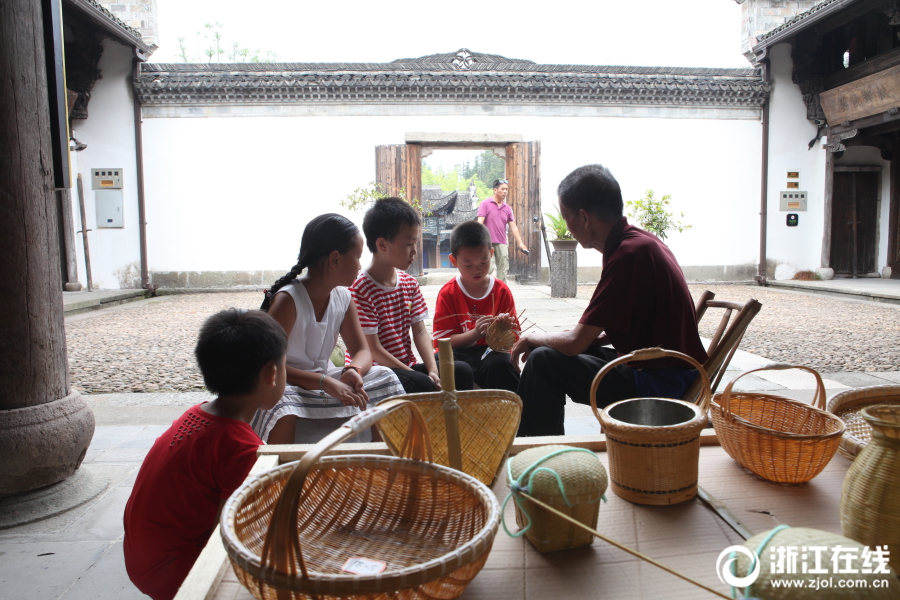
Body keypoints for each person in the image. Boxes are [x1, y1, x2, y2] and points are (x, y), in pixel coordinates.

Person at [510, 164, 708, 437]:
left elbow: (575, 342)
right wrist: (572, 340)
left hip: (660, 382)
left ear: (584, 218)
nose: (567, 227)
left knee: (544, 360)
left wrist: (532, 337)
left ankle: (538, 452)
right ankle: (541, 444)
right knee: (549, 353)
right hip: (656, 366)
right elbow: (614, 328)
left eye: (566, 217)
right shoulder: (638, 243)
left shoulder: (629, 255)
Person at [123, 309, 288, 600]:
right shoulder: (242, 449)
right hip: (179, 577)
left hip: (142, 562)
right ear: (271, 374)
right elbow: (228, 540)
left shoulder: (197, 414)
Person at [252, 214, 404, 444]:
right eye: (357, 256)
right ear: (335, 259)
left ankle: (381, 456)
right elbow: (270, 366)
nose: (360, 265)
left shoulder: (343, 298)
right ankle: (283, 464)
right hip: (289, 384)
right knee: (281, 400)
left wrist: (352, 370)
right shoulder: (288, 300)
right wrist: (324, 382)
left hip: (325, 381)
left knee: (386, 378)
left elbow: (362, 350)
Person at [350, 197, 474, 393]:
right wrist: (415, 373)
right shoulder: (360, 289)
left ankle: (455, 414)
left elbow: (420, 332)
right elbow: (373, 349)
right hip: (375, 372)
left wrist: (433, 370)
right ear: (382, 245)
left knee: (461, 371)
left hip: (405, 366)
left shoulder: (409, 283)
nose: (415, 251)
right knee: (421, 382)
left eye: (415, 243)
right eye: (409, 244)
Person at [432, 220, 520, 393]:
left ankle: (513, 406)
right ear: (454, 260)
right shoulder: (448, 293)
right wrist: (475, 334)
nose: (477, 270)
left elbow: (514, 336)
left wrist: (503, 329)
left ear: (491, 254)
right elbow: (442, 342)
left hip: (490, 352)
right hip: (458, 354)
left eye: (484, 262)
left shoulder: (501, 291)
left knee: (502, 363)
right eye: (468, 265)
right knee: (445, 364)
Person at [477, 178, 529, 282]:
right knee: (488, 268)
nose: (505, 191)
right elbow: (480, 221)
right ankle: (483, 288)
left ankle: (502, 290)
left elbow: (513, 226)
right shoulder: (485, 203)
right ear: (495, 190)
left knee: (503, 269)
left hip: (502, 242)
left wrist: (520, 243)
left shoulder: (507, 208)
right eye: (502, 189)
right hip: (487, 242)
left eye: (506, 189)